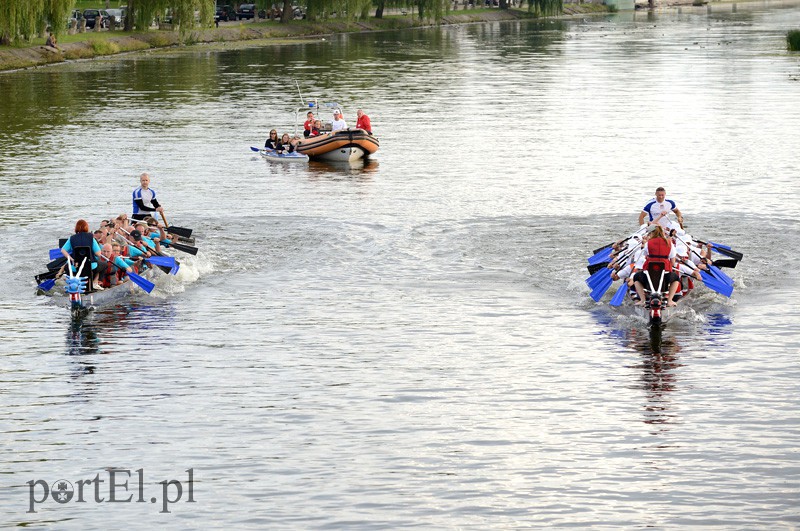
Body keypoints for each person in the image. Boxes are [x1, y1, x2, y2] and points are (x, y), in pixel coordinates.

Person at [632, 224, 681, 307]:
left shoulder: (648, 243)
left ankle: (642, 300)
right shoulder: (669, 243)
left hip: (649, 275)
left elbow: (646, 255)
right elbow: (673, 263)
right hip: (665, 275)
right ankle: (670, 301)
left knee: (636, 277)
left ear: (651, 233)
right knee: (676, 278)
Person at [60, 219, 108, 291]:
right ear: (86, 227)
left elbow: (63, 250)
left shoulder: (72, 238)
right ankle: (95, 282)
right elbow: (98, 254)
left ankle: (71, 284)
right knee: (104, 264)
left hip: (75, 266)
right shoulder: (91, 238)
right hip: (91, 266)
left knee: (67, 267)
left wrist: (70, 258)